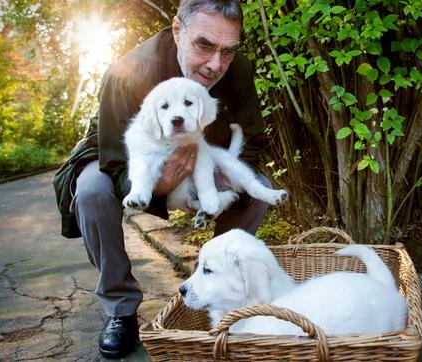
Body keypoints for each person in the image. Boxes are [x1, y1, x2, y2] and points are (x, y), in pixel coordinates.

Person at [53, 0, 271, 358]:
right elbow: (114, 163)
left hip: (201, 152)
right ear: (177, 29)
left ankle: (228, 290)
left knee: (257, 187)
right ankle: (120, 310)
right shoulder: (126, 72)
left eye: (228, 51)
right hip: (126, 158)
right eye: (204, 45)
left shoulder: (240, 69)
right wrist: (161, 186)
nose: (217, 64)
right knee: (91, 189)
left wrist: (222, 186)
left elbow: (251, 140)